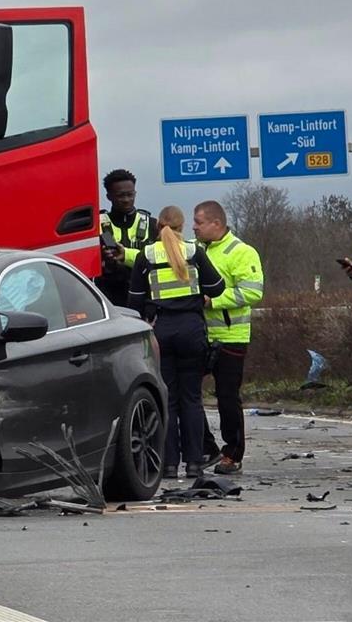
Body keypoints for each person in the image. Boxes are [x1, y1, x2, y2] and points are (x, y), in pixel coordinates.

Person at [129, 206, 225, 478]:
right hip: (192, 328)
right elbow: (217, 287)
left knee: (167, 399)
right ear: (182, 226)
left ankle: (168, 464)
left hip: (162, 329)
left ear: (159, 226)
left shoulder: (145, 255)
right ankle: (194, 463)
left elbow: (134, 300)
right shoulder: (194, 251)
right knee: (192, 400)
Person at [193, 201, 265, 475]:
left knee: (227, 397)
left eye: (199, 222)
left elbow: (253, 292)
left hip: (231, 335)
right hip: (200, 335)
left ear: (216, 224)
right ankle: (207, 448)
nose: (194, 227)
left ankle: (232, 454)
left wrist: (213, 301)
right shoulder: (196, 250)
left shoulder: (242, 252)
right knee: (186, 394)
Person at [95, 169, 158, 306]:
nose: (126, 200)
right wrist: (104, 259)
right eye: (120, 195)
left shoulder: (151, 224)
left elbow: (159, 259)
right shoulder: (96, 226)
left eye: (130, 194)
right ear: (109, 196)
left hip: (145, 300)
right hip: (109, 299)